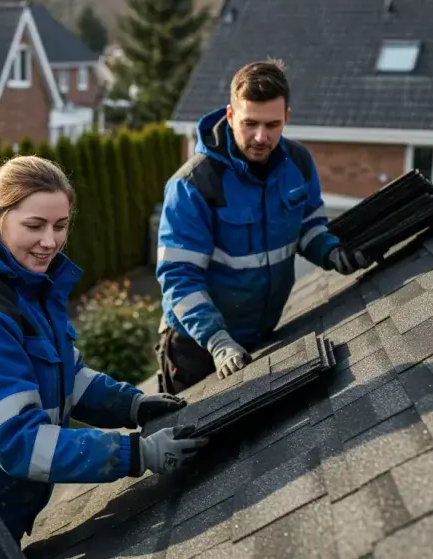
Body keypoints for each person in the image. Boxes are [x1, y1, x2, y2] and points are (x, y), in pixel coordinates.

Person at [0, 155, 210, 542]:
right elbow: (18, 441)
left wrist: (132, 405)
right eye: (35, 225)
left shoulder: (25, 284)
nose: (50, 241)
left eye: (60, 226)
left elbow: (66, 378)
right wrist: (135, 454)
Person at [155, 59, 372, 394]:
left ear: (286, 117)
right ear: (230, 116)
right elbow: (178, 277)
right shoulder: (194, 185)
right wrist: (217, 340)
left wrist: (332, 252)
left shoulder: (297, 163)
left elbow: (309, 228)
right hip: (196, 348)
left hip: (261, 336)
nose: (261, 136)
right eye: (249, 123)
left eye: (272, 125)